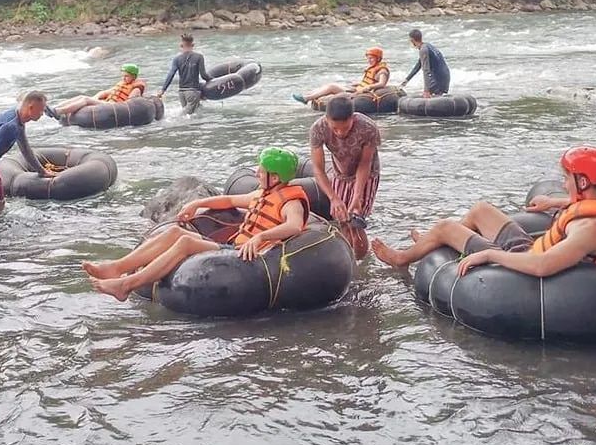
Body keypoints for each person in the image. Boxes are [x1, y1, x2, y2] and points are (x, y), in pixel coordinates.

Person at [371, 146, 596, 277]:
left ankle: (403, 258)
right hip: (533, 247)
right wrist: (552, 204)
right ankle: (440, 243)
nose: (565, 183)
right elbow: (585, 207)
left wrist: (488, 254)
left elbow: (542, 266)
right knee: (480, 210)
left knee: (444, 226)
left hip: (526, 261)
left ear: (584, 182)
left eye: (568, 178)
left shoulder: (588, 230)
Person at [85, 148, 309, 301]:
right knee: (174, 230)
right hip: (234, 248)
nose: (257, 172)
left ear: (276, 178)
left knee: (184, 242)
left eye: (262, 170)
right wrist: (198, 203)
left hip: (250, 257)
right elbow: (229, 200)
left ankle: (126, 286)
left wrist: (260, 237)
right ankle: (117, 268)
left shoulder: (291, 202)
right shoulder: (264, 193)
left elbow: (295, 226)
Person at [308, 95, 380, 259]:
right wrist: (333, 198)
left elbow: (365, 164)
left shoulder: (368, 128)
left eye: (345, 128)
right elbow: (318, 169)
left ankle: (362, 264)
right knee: (341, 219)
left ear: (353, 119)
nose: (340, 133)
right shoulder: (318, 129)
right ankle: (349, 260)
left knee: (355, 221)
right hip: (340, 173)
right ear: (327, 120)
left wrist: (357, 196)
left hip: (367, 173)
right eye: (335, 129)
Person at [49, 64, 147, 124]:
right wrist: (94, 98)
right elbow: (104, 92)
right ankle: (54, 108)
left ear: (133, 76)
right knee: (82, 97)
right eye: (123, 76)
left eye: (126, 76)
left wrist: (90, 101)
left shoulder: (136, 88)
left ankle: (58, 111)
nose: (123, 78)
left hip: (115, 106)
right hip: (109, 102)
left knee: (85, 100)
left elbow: (130, 103)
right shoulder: (123, 84)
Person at [292, 47, 390, 105]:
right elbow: (370, 80)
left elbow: (382, 83)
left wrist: (369, 87)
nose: (369, 60)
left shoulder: (382, 70)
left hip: (363, 95)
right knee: (331, 84)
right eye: (368, 58)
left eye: (371, 58)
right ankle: (308, 95)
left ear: (378, 58)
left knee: (332, 87)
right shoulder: (374, 68)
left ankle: (306, 99)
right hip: (359, 89)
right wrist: (359, 84)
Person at [157, 33, 212, 115]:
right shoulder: (199, 57)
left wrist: (163, 90)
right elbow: (203, 75)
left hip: (181, 93)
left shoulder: (177, 59)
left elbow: (171, 74)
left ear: (181, 45)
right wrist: (212, 80)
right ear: (193, 45)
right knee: (186, 116)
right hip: (193, 92)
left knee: (192, 115)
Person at [401, 29, 450, 97]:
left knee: (426, 97)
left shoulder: (423, 50)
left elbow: (426, 70)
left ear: (412, 40)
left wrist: (426, 90)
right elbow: (418, 66)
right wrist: (406, 80)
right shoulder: (427, 46)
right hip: (445, 77)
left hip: (438, 79)